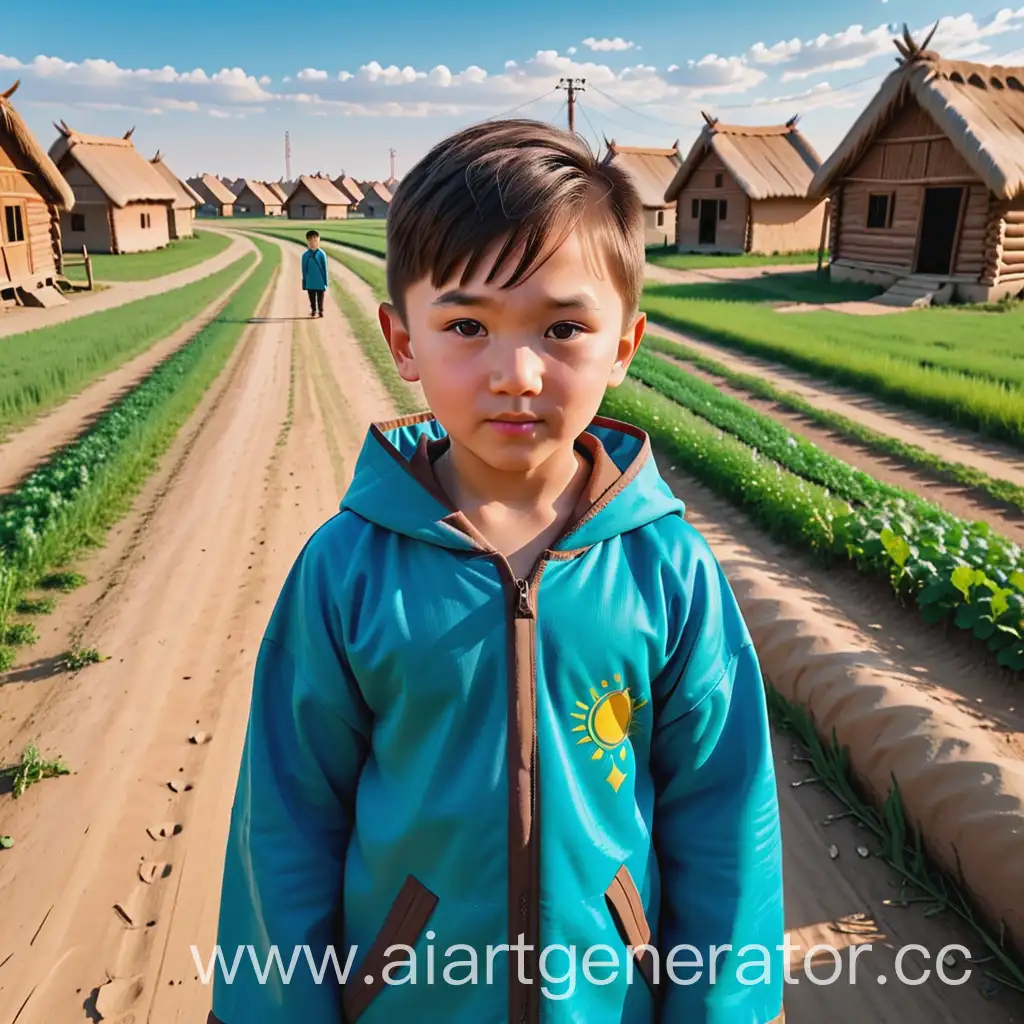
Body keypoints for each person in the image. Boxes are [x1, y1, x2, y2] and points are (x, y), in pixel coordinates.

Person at [208, 119, 784, 1024]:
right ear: (403, 342)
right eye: (467, 325)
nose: (516, 372)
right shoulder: (347, 570)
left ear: (624, 346)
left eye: (562, 328)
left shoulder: (668, 570)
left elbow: (725, 821)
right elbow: (285, 821)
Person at [302, 229, 328, 317]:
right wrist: (304, 282)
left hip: (320, 282)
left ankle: (321, 310)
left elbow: (325, 269)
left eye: (315, 241)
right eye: (311, 241)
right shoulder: (305, 256)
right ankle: (313, 310)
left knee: (320, 298)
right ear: (307, 242)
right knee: (312, 298)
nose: (313, 243)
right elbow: (304, 270)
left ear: (318, 241)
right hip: (310, 282)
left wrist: (326, 282)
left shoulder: (322, 254)